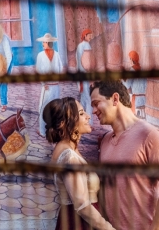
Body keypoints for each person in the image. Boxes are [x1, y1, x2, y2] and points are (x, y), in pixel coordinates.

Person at [90, 80, 159, 230]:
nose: (93, 110)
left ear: (115, 99)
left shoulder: (148, 135)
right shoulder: (105, 141)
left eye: (96, 103)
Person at [43, 97, 115, 230]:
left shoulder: (69, 150)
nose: (88, 116)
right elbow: (82, 206)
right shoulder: (69, 157)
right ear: (64, 123)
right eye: (81, 114)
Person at [36, 33, 64, 137]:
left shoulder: (53, 54)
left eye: (44, 42)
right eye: (43, 42)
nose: (43, 43)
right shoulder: (52, 54)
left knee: (46, 108)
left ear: (48, 43)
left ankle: (46, 131)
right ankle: (46, 130)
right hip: (53, 85)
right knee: (50, 107)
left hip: (50, 86)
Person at [76, 29, 94, 125]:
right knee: (88, 99)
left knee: (83, 99)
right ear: (85, 35)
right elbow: (86, 62)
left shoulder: (79, 46)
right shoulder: (86, 46)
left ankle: (80, 120)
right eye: (89, 35)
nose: (91, 37)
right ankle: (89, 122)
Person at [124, 51, 146, 118]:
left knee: (136, 118)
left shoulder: (132, 70)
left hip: (136, 99)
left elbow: (127, 85)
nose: (129, 60)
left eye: (129, 58)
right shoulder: (142, 69)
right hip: (144, 98)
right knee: (143, 118)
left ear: (132, 59)